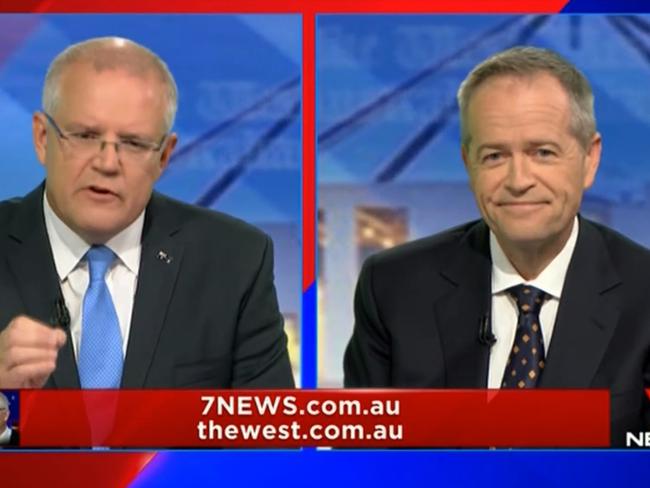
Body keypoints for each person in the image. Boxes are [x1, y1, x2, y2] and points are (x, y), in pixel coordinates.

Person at [344, 46, 650, 445]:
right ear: (468, 162)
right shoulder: (392, 287)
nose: (518, 179)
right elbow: (365, 463)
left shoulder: (644, 294)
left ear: (589, 159)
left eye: (542, 152)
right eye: (494, 156)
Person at [0, 37, 294, 389]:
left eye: (134, 143)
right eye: (85, 135)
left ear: (164, 157)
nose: (107, 163)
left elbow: (266, 436)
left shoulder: (234, 261)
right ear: (42, 138)